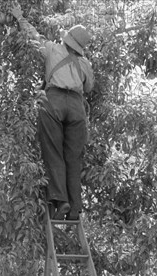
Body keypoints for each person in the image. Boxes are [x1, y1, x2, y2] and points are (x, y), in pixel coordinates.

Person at [10, 4, 94, 220]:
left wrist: (19, 17)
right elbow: (89, 88)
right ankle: (75, 208)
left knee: (53, 150)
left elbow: (33, 36)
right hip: (76, 108)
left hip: (54, 101)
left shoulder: (53, 49)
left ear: (67, 40)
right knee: (73, 158)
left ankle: (60, 200)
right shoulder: (85, 63)